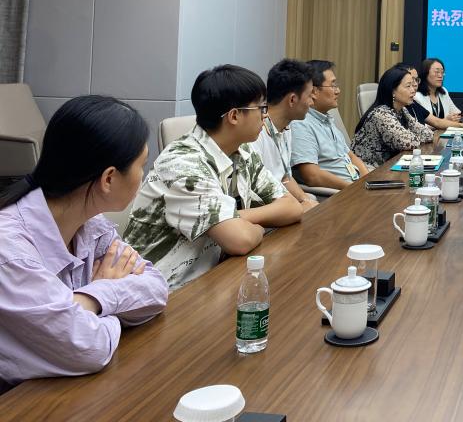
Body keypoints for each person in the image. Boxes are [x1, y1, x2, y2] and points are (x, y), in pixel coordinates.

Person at [0, 96, 168, 391]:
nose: (144, 175)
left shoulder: (91, 224)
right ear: (109, 179)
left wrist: (90, 299)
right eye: (142, 165)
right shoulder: (10, 250)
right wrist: (108, 296)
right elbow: (88, 347)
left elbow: (155, 287)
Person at [123, 65, 302, 290]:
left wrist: (236, 217)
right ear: (234, 116)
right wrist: (250, 225)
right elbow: (240, 240)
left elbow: (292, 207)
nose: (265, 115)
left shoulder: (243, 151)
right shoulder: (183, 165)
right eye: (260, 108)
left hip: (212, 279)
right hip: (162, 292)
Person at [290, 60, 371, 190]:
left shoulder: (326, 119)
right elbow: (312, 176)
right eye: (333, 85)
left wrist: (367, 182)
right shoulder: (301, 124)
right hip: (339, 194)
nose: (338, 91)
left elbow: (350, 156)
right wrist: (354, 189)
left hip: (356, 187)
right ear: (313, 91)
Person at [253, 59, 319, 213]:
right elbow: (257, 196)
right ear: (292, 99)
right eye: (310, 95)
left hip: (283, 204)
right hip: (266, 210)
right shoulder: (255, 134)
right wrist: (299, 207)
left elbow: (284, 177)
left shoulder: (286, 127)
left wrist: (305, 200)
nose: (312, 101)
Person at [352, 65, 436, 167]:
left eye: (413, 85)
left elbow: (428, 134)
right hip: (368, 169)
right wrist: (413, 136)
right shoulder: (381, 114)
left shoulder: (402, 110)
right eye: (408, 86)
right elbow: (407, 143)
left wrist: (411, 135)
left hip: (388, 165)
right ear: (392, 91)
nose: (413, 90)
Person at [412, 58, 463, 131]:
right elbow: (419, 126)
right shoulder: (416, 96)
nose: (440, 75)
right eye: (437, 72)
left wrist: (458, 117)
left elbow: (455, 111)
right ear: (425, 74)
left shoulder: (443, 92)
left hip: (444, 136)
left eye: (442, 72)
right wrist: (445, 121)